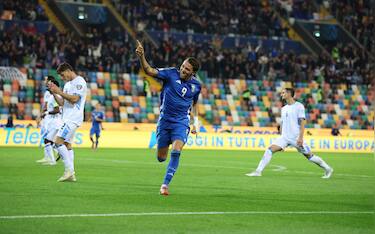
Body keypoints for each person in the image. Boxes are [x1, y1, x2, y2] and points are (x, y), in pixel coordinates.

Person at [135, 40, 201, 195]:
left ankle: (165, 185)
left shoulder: (196, 86)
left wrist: (195, 123)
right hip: (165, 121)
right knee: (161, 157)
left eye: (187, 69)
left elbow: (195, 104)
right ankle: (164, 148)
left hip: (181, 122)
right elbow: (149, 70)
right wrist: (141, 56)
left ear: (193, 73)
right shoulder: (170, 73)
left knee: (177, 150)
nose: (183, 70)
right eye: (183, 66)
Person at [246, 88, 333, 179]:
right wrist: (281, 140)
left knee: (309, 156)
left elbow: (303, 122)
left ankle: (328, 168)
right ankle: (258, 171)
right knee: (270, 149)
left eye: (283, 93)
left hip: (295, 137)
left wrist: (300, 138)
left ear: (289, 94)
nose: (281, 94)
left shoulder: (299, 106)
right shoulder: (284, 108)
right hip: (284, 137)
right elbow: (282, 123)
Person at [47, 62, 87, 182]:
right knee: (67, 145)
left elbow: (75, 99)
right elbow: (63, 104)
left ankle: (69, 170)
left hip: (73, 118)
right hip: (67, 117)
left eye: (63, 75)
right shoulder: (67, 85)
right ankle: (71, 174)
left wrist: (59, 92)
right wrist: (54, 93)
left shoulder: (80, 82)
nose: (62, 78)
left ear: (69, 70)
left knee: (58, 142)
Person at [36, 76, 62, 165]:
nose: (49, 87)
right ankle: (52, 159)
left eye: (51, 85)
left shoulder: (55, 97)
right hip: (53, 122)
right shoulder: (52, 96)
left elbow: (57, 110)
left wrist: (46, 113)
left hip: (56, 122)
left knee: (48, 140)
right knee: (49, 140)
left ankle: (53, 160)